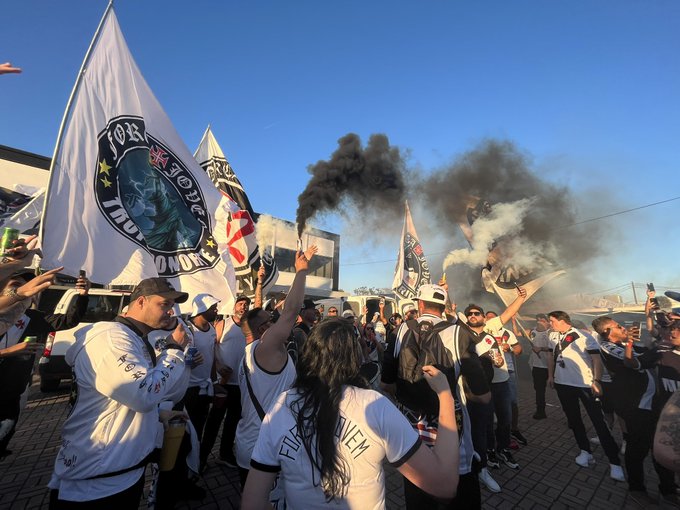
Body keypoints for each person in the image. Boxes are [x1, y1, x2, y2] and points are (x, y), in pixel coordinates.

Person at [241, 318, 460, 510]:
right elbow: (443, 485)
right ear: (354, 357)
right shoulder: (374, 406)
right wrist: (445, 395)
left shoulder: (282, 405)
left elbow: (252, 503)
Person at [48, 277, 190, 508]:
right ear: (141, 301)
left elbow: (121, 397)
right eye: (164, 304)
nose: (170, 312)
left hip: (118, 475)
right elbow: (142, 395)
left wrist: (158, 416)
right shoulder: (112, 338)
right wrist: (174, 350)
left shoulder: (133, 338)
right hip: (94, 485)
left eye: (172, 306)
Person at [381, 283, 490, 509]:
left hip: (412, 432)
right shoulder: (459, 333)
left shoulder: (400, 330)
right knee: (460, 486)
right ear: (444, 306)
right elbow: (482, 394)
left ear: (420, 304)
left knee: (417, 487)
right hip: (452, 428)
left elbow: (386, 383)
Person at [235, 246, 318, 496]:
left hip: (249, 445)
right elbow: (291, 313)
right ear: (262, 331)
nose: (276, 324)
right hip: (265, 448)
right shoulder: (265, 349)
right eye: (271, 322)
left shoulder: (251, 351)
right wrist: (301, 271)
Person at [0, 267, 88, 458]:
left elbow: (68, 320)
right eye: (16, 287)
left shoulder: (34, 318)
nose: (27, 291)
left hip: (12, 390)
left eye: (30, 288)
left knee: (6, 429)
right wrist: (8, 352)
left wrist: (82, 295)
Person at [592, 316, 673, 503]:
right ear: (607, 332)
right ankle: (637, 489)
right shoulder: (608, 346)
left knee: (659, 448)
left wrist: (658, 343)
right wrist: (663, 347)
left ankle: (668, 489)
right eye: (618, 326)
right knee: (638, 450)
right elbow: (639, 360)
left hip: (653, 405)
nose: (623, 328)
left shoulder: (625, 344)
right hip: (636, 406)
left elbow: (647, 351)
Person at [547, 311, 624, 481]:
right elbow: (551, 356)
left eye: (552, 321)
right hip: (563, 384)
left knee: (599, 422)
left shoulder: (584, 336)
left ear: (561, 321)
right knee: (574, 420)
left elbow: (596, 360)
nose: (550, 323)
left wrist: (596, 380)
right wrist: (551, 376)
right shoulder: (552, 336)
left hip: (585, 384)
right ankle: (585, 451)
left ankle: (614, 462)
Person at [200, 294, 251, 469]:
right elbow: (211, 348)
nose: (243, 307)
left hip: (240, 383)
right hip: (223, 383)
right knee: (214, 422)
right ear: (234, 306)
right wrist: (219, 365)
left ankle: (225, 454)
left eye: (246, 304)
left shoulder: (249, 327)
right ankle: (202, 458)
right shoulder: (223, 324)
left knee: (232, 422)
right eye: (241, 303)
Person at [487, 311, 526, 447]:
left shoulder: (507, 333)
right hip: (489, 372)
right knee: (490, 403)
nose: (491, 320)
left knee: (513, 402)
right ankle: (494, 433)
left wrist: (508, 347)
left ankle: (514, 429)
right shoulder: (484, 332)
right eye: (488, 318)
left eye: (493, 318)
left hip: (507, 371)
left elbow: (519, 350)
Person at [184, 294, 219, 440]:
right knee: (187, 430)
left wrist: (214, 381)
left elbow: (212, 356)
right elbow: (181, 360)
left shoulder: (212, 328)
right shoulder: (188, 329)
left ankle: (195, 459)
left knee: (199, 427)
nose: (216, 311)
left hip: (206, 387)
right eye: (213, 308)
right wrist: (189, 362)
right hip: (189, 389)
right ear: (202, 309)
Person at [528, 313, 552, 419]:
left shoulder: (551, 333)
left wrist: (541, 348)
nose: (539, 321)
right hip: (537, 366)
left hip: (550, 365)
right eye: (538, 319)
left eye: (542, 319)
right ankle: (540, 411)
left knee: (561, 391)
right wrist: (514, 321)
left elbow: (553, 348)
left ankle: (571, 417)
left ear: (547, 322)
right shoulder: (532, 331)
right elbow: (518, 332)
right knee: (539, 390)